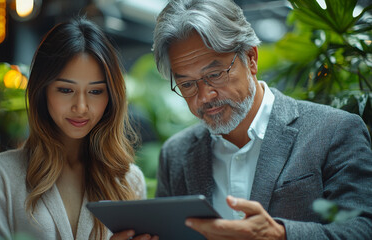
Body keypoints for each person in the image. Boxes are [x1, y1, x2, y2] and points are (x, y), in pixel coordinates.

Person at [152, 0, 372, 239]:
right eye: (187, 84)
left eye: (215, 75)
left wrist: (279, 235)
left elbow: (362, 229)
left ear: (251, 58)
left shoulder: (334, 131)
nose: (204, 96)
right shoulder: (175, 155)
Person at [0, 17, 151, 240]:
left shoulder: (128, 181)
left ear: (111, 98)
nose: (81, 107)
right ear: (42, 91)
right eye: (66, 90)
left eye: (95, 92)